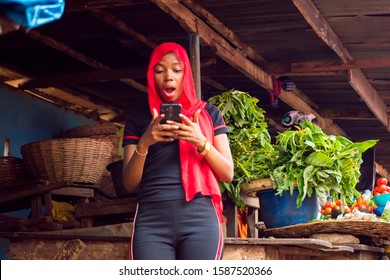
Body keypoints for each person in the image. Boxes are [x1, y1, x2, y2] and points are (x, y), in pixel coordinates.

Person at [122, 42, 234, 260]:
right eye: (160, 70)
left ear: (187, 75)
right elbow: (129, 183)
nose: (168, 76)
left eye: (176, 69)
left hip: (200, 220)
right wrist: (145, 142)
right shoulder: (137, 118)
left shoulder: (209, 114)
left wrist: (200, 141)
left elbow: (228, 173)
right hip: (151, 222)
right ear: (151, 76)